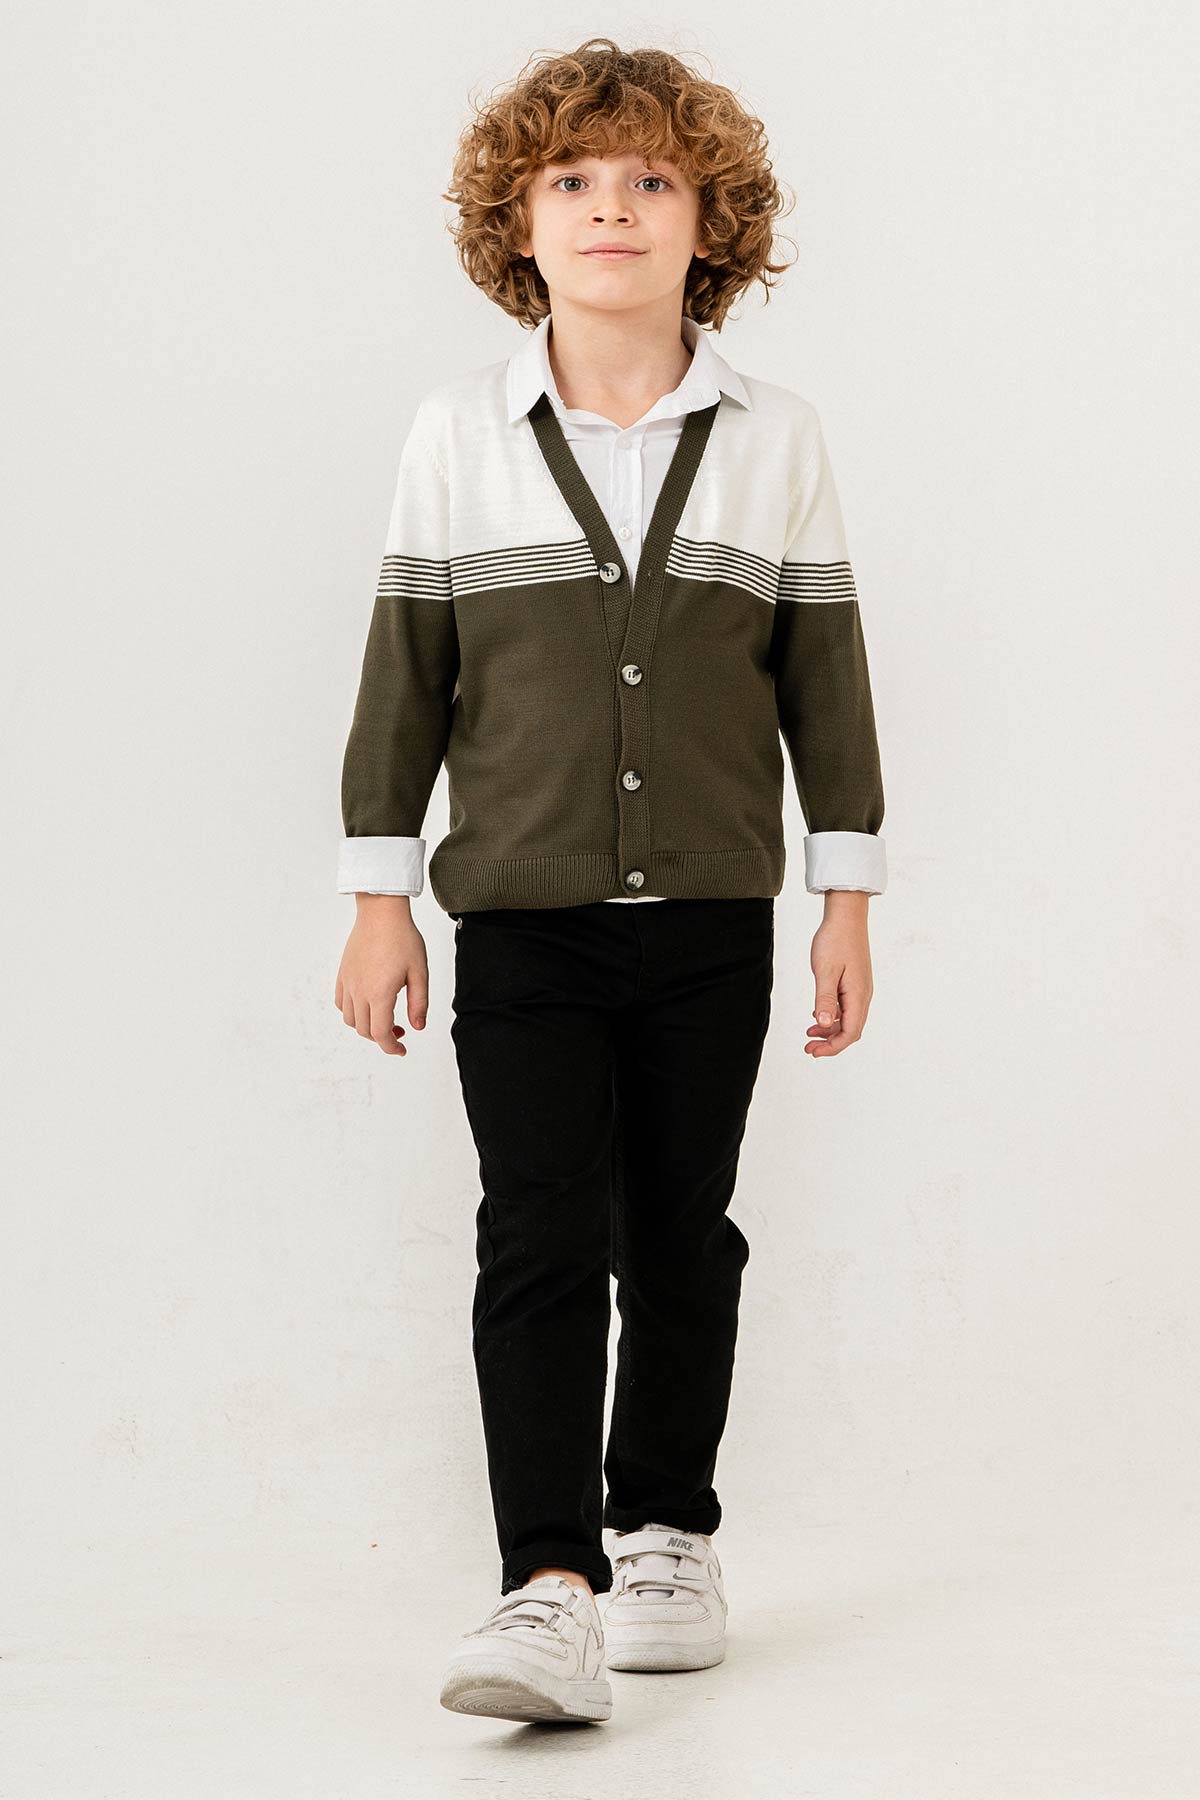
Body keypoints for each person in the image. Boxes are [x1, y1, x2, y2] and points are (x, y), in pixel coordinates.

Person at [334, 38, 887, 1726]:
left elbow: (826, 684)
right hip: (520, 919)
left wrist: (845, 898)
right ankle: (547, 1583)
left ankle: (666, 1536)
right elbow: (407, 679)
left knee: (682, 1236)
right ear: (518, 222)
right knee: (539, 1232)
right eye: (572, 181)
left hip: (713, 922)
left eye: (653, 178)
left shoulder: (777, 439)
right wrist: (379, 896)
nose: (612, 209)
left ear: (713, 222)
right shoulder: (458, 434)